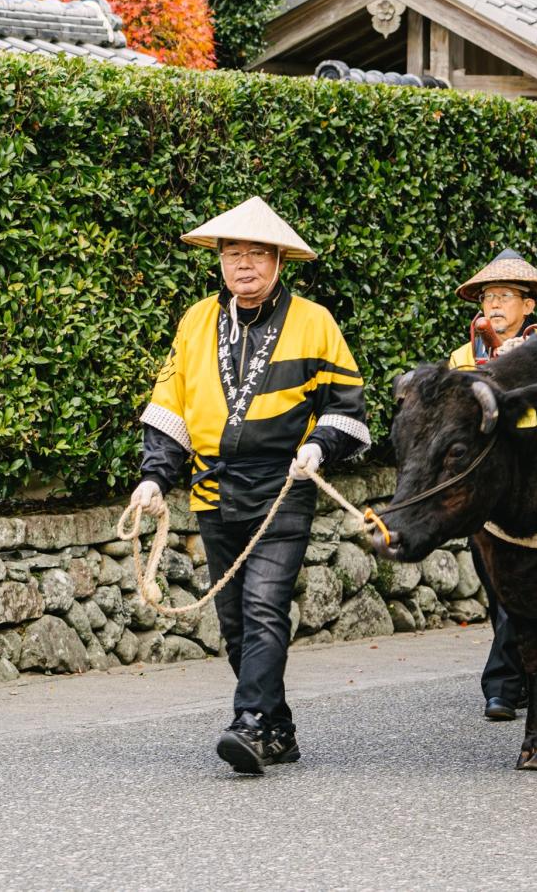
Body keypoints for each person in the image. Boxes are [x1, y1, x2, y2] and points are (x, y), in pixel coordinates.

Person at [129, 196, 370, 775]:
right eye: (234, 254)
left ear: (278, 262)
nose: (245, 266)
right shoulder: (194, 321)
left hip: (282, 488)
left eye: (257, 255)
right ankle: (278, 728)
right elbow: (171, 408)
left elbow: (347, 407)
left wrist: (319, 446)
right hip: (213, 491)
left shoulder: (315, 321)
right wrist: (154, 478)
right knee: (235, 620)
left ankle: (252, 724)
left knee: (265, 608)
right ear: (219, 261)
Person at [446, 250, 537, 719]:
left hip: (531, 489)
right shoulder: (464, 355)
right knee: (497, 590)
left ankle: (503, 686)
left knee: (514, 591)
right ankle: (519, 678)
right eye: (488, 297)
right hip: (482, 487)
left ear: (529, 305)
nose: (495, 306)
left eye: (506, 296)